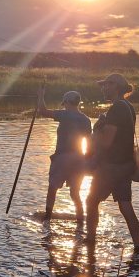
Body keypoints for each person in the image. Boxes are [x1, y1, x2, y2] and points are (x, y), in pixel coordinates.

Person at [85, 73, 139, 252]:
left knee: (91, 201)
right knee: (125, 205)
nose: (103, 89)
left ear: (115, 86)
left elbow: (107, 142)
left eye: (106, 85)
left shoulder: (117, 107)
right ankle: (138, 247)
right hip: (125, 165)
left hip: (112, 167)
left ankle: (91, 242)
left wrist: (96, 129)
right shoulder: (128, 106)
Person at [37, 85, 92, 221]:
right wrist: (87, 160)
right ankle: (80, 220)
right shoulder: (86, 119)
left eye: (65, 103)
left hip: (62, 157)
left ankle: (47, 218)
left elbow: (43, 111)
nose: (64, 106)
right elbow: (89, 142)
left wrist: (40, 95)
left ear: (67, 102)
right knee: (75, 193)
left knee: (52, 188)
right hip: (79, 158)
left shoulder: (64, 114)